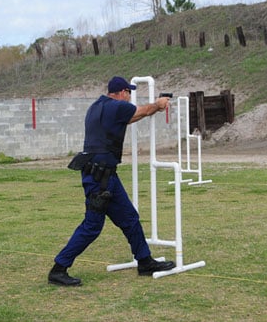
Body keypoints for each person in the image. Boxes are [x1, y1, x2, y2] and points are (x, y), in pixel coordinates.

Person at [48, 76, 176, 286]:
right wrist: (159, 105)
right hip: (100, 178)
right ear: (123, 92)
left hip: (102, 174)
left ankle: (144, 261)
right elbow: (141, 112)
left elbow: (130, 118)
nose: (129, 97)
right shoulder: (117, 107)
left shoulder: (96, 107)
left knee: (130, 218)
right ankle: (59, 268)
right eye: (129, 93)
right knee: (92, 226)